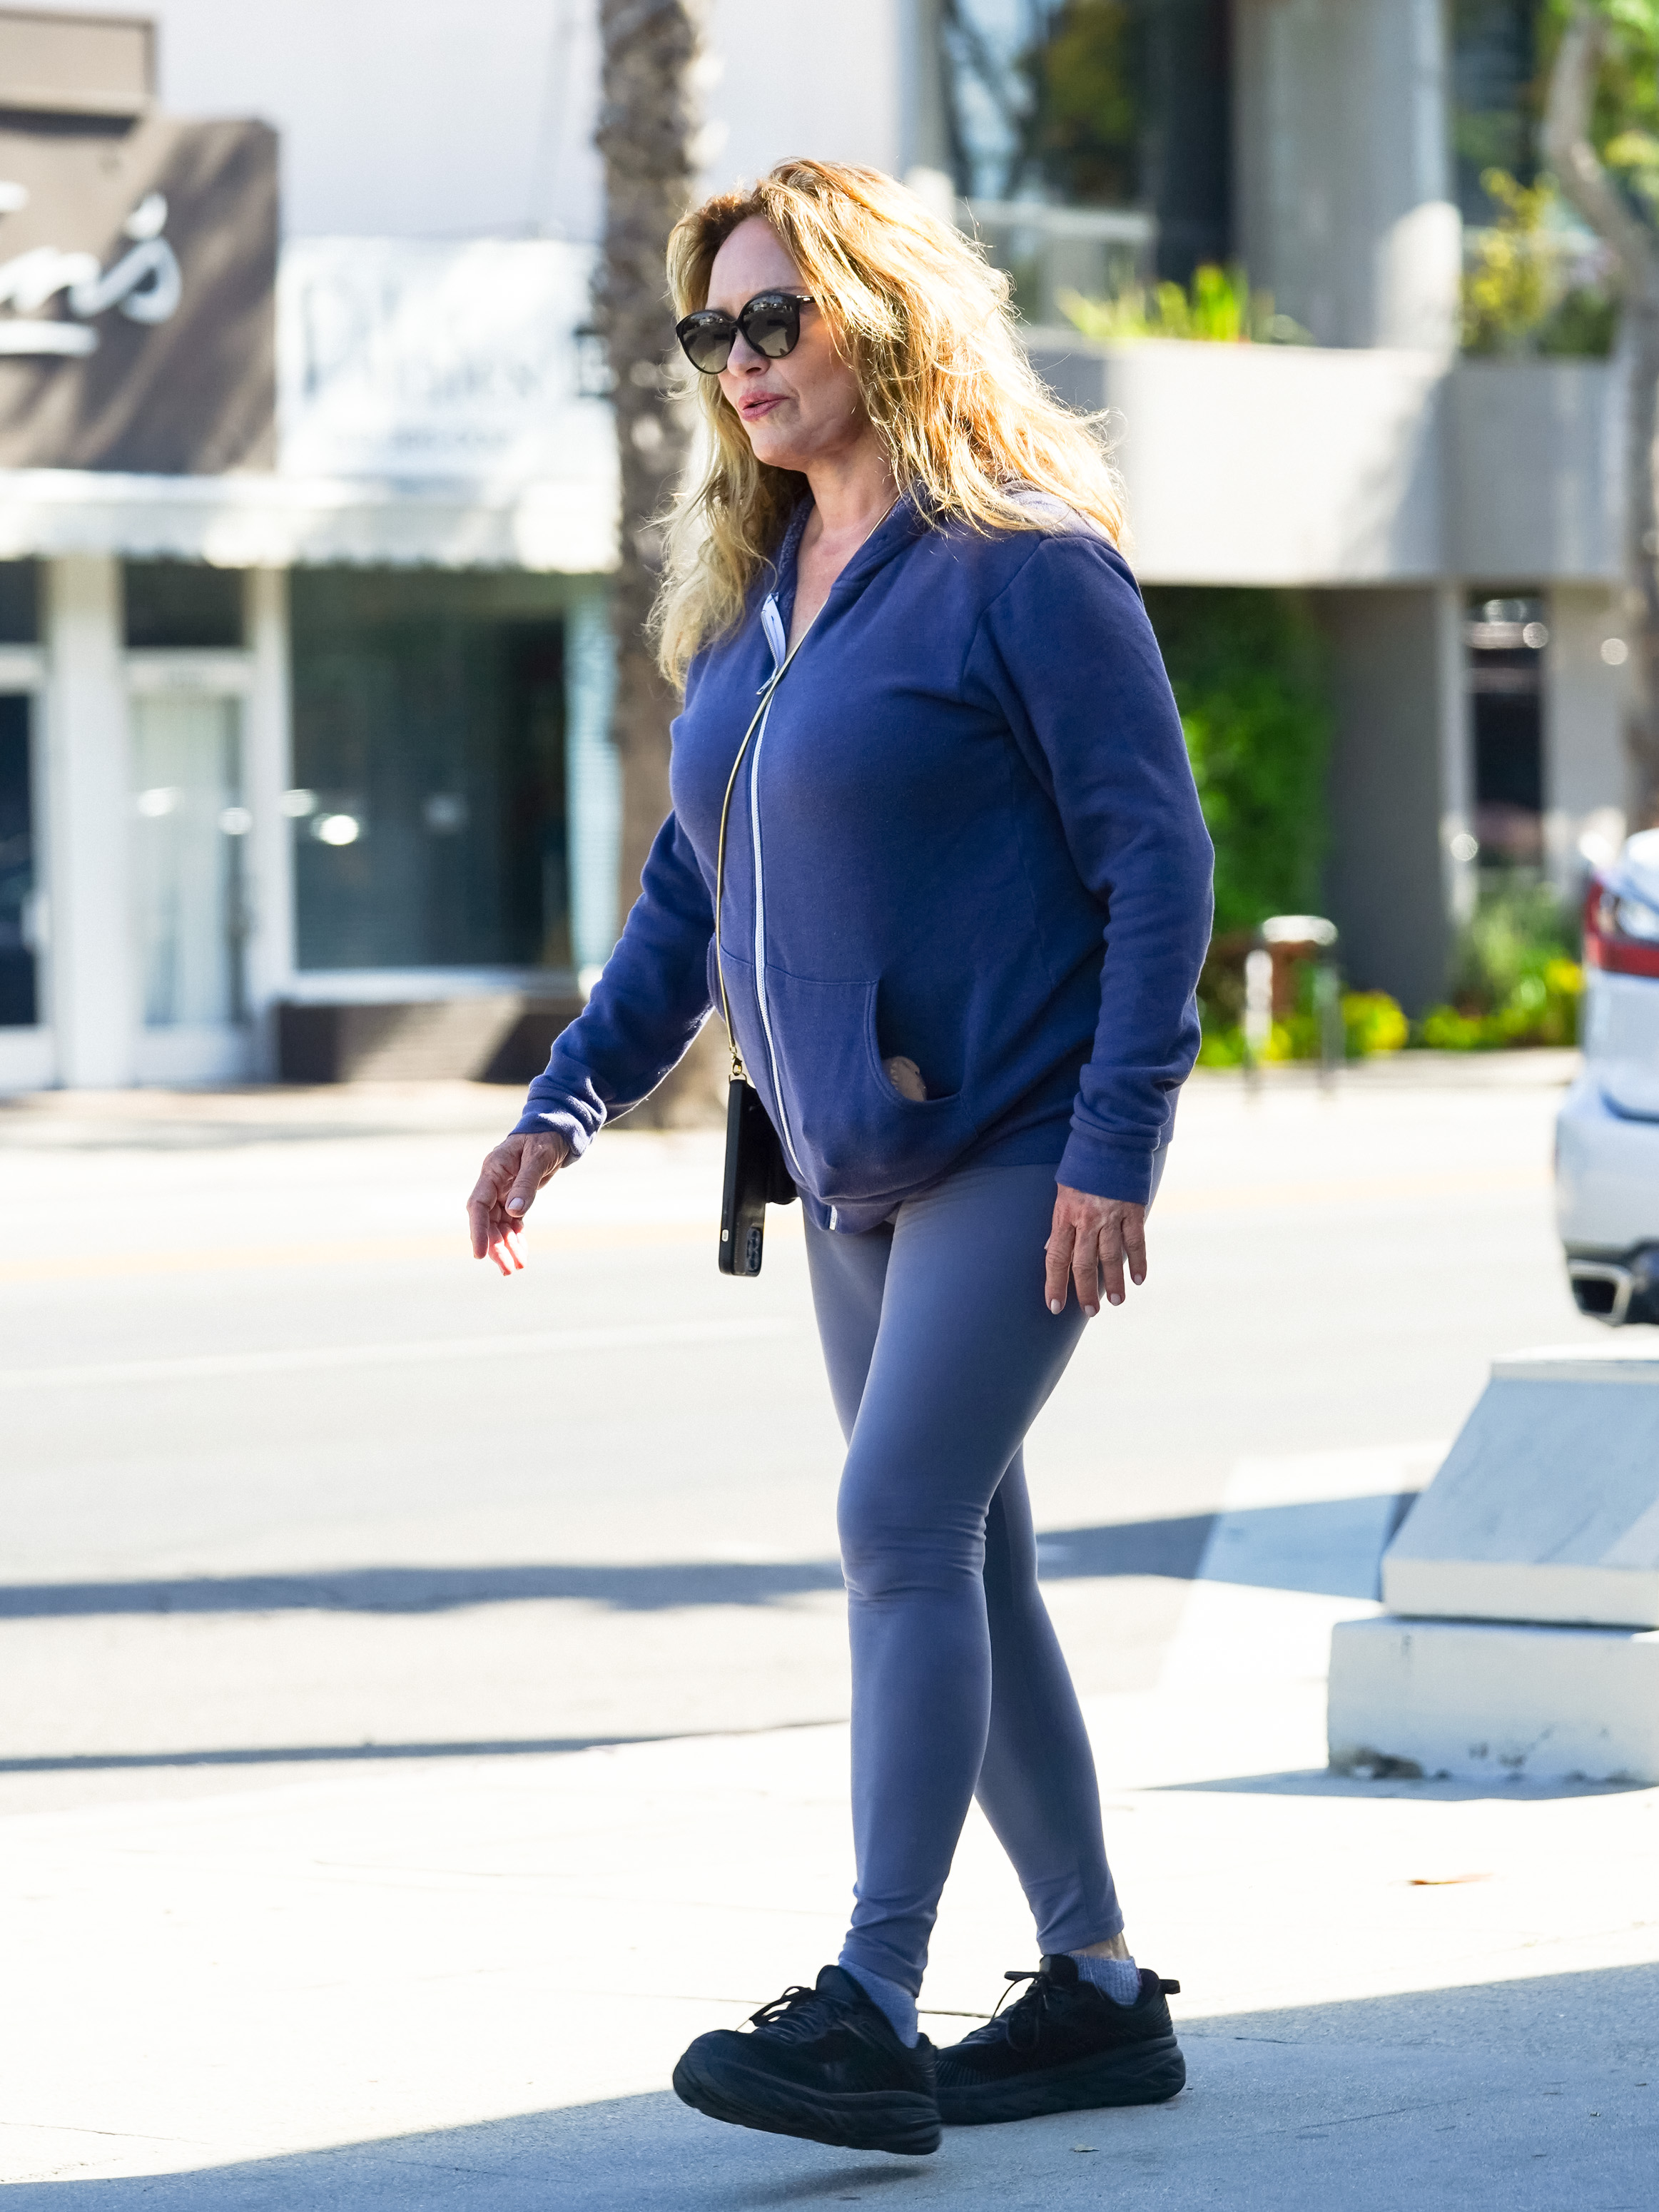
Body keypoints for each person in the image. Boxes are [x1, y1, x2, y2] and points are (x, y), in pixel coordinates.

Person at [466, 158, 1214, 2159]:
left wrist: (1118, 1140)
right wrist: (567, 1099)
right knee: (974, 1547)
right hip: (848, 1166)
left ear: (881, 312)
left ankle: (873, 1998)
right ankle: (1098, 1985)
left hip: (1019, 1135)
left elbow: (1162, 860)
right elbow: (686, 905)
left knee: (897, 1520)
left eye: (773, 315)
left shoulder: (1020, 565)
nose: (741, 362)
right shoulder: (760, 599)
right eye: (714, 330)